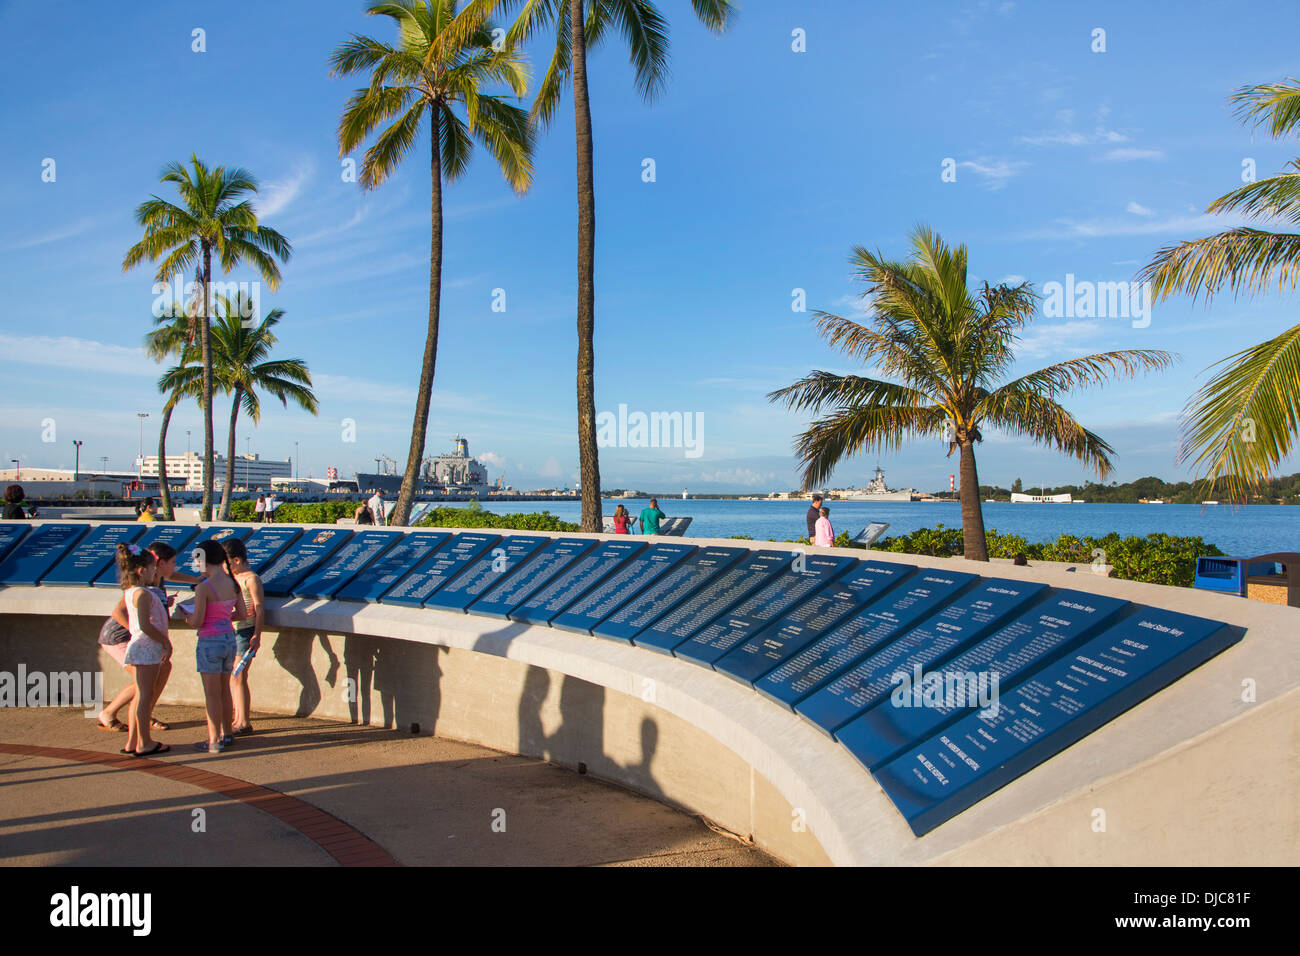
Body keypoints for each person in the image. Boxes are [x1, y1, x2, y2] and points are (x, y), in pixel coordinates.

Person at [98, 541, 195, 734]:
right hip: (119, 636)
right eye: (173, 562)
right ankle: (111, 714)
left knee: (163, 667)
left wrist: (198, 581)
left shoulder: (156, 579)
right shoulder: (141, 586)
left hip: (138, 637)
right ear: (158, 565)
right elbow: (119, 612)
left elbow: (173, 576)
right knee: (143, 680)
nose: (176, 566)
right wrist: (137, 633)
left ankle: (144, 714)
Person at [186, 540, 247, 753]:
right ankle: (227, 734)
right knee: (224, 690)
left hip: (209, 641)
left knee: (211, 694)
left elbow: (197, 620)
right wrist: (223, 617)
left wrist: (187, 617)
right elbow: (242, 614)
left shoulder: (204, 588)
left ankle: (213, 740)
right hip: (229, 639)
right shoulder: (233, 584)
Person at [117, 543, 171, 756]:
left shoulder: (131, 591)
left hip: (141, 648)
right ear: (142, 571)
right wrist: (165, 642)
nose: (154, 573)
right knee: (145, 697)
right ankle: (144, 742)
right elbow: (145, 625)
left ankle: (133, 741)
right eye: (151, 569)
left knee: (141, 695)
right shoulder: (143, 594)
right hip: (147, 649)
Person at [222, 538, 264, 736]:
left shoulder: (251, 579)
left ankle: (244, 721)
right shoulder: (233, 578)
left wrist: (257, 635)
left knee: (238, 675)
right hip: (233, 629)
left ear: (236, 560)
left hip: (246, 632)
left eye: (227, 563)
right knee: (235, 677)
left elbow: (259, 608)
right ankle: (238, 718)